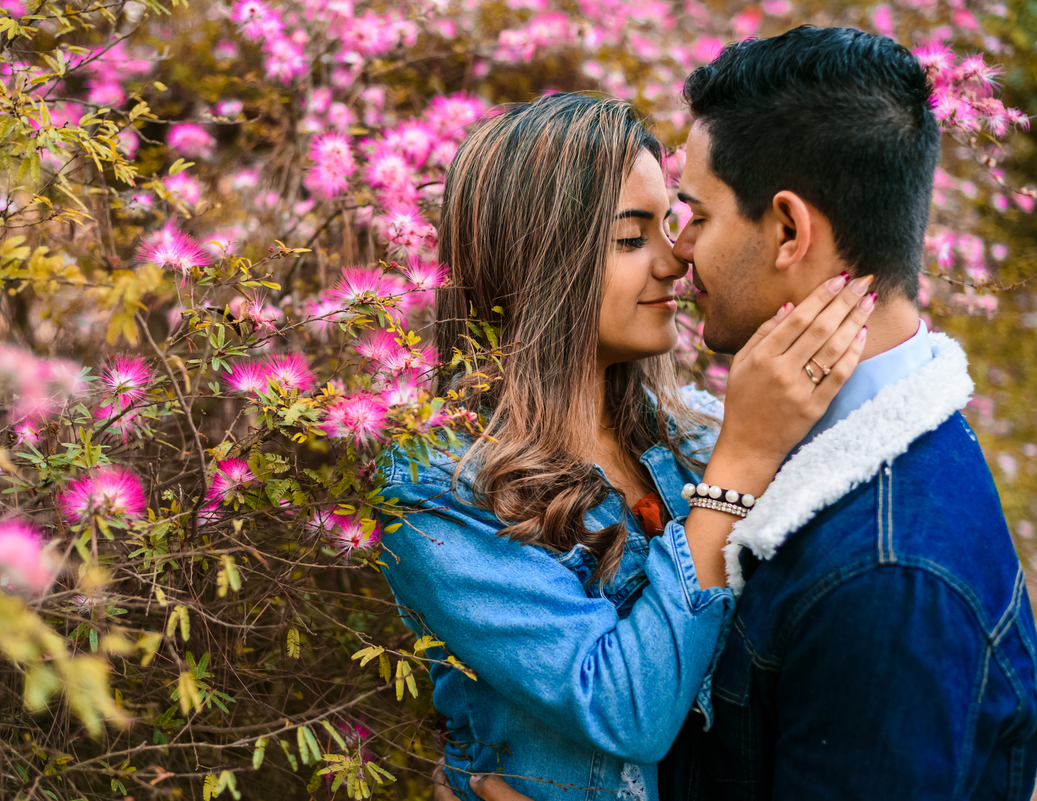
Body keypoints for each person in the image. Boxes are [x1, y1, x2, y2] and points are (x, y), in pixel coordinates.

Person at [443, 26, 1037, 801]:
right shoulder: (783, 444)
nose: (679, 250)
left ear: (789, 231)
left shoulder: (890, 577)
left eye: (696, 213)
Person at [377, 91, 874, 801]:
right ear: (545, 263)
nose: (676, 260)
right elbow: (625, 707)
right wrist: (737, 469)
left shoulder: (689, 435)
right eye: (631, 238)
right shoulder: (442, 486)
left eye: (670, 225)